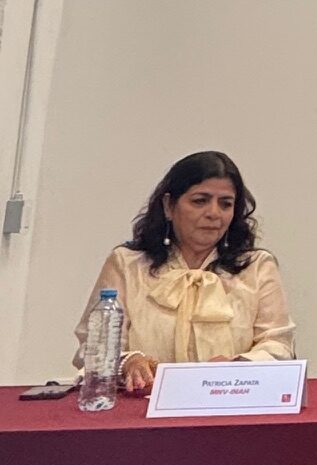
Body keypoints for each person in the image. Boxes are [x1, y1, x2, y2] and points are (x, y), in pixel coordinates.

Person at [73, 150, 294, 395]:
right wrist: (128, 362)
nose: (214, 213)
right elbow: (94, 346)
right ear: (169, 206)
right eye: (200, 201)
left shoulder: (257, 266)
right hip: (140, 406)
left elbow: (278, 345)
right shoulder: (127, 264)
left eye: (226, 204)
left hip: (230, 402)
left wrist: (238, 366)